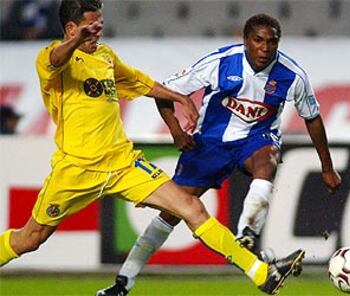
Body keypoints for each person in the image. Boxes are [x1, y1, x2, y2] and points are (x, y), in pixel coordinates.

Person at [0, 2, 305, 295]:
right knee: (31, 238)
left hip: (123, 164)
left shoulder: (105, 56)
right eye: (88, 29)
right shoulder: (50, 58)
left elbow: (139, 82)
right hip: (75, 169)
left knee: (191, 207)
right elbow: (55, 59)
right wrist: (77, 40)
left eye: (98, 28)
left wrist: (181, 98)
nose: (96, 35)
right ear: (70, 29)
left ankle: (261, 274)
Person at [97, 13, 341, 296]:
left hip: (256, 139)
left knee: (268, 160)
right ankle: (124, 282)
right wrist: (176, 130)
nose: (265, 48)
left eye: (272, 42)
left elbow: (312, 117)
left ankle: (246, 234)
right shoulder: (221, 62)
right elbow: (165, 91)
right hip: (210, 144)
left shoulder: (292, 75)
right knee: (171, 213)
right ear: (245, 40)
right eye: (258, 40)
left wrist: (327, 167)